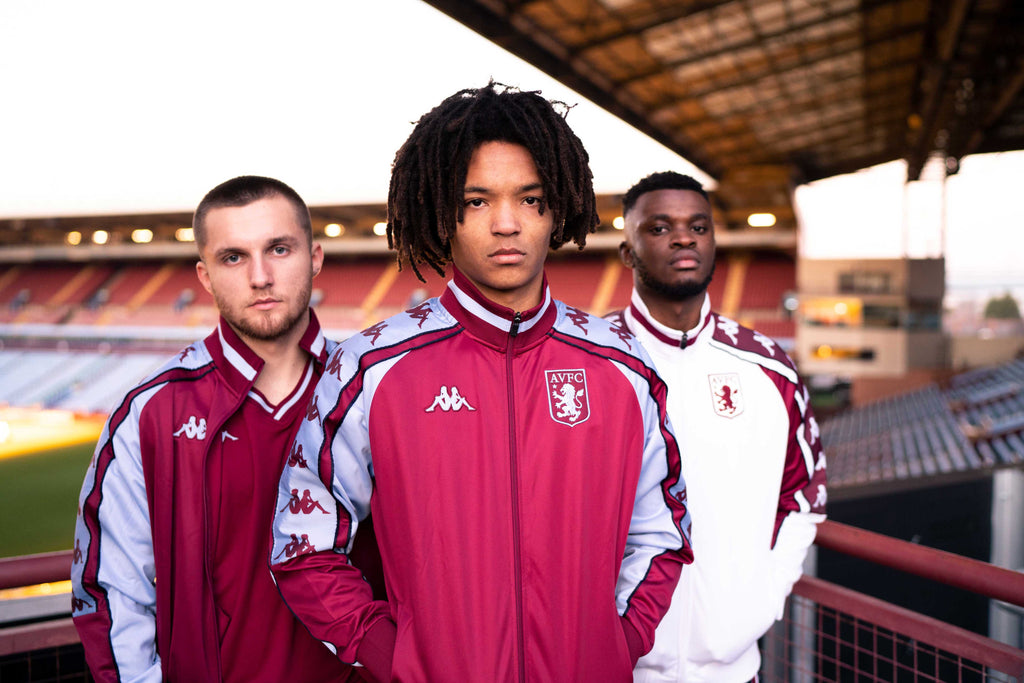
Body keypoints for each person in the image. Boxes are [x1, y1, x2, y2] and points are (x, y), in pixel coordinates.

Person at [269, 82, 693, 683]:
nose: (505, 224)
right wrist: (397, 657)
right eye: (475, 201)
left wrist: (615, 645)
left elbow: (664, 532)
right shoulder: (369, 368)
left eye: (529, 198)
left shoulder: (624, 366)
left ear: (557, 207)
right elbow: (302, 546)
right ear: (442, 211)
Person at [71, 176, 364, 682]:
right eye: (234, 257)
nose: (260, 276)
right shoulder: (151, 412)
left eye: (278, 249)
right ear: (205, 277)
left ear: (315, 258)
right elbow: (109, 589)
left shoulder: (372, 395)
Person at [609, 171, 828, 683]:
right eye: (660, 228)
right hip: (615, 667)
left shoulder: (769, 367)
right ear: (627, 252)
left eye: (698, 227)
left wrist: (764, 597)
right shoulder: (590, 363)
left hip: (734, 670)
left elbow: (804, 497)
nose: (684, 238)